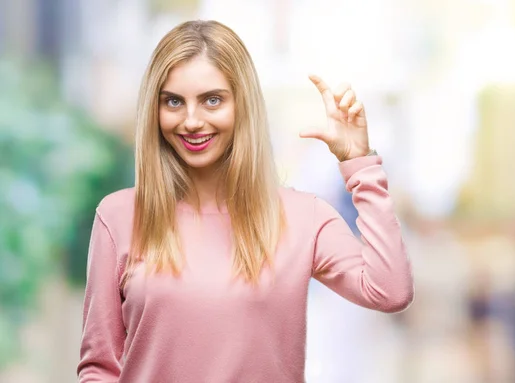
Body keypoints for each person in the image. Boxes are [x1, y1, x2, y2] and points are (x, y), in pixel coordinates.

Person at [77, 19, 414, 382]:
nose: (192, 120)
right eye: (174, 101)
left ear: (243, 105)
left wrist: (359, 165)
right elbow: (100, 367)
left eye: (212, 100)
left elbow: (390, 291)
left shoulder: (304, 218)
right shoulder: (118, 217)